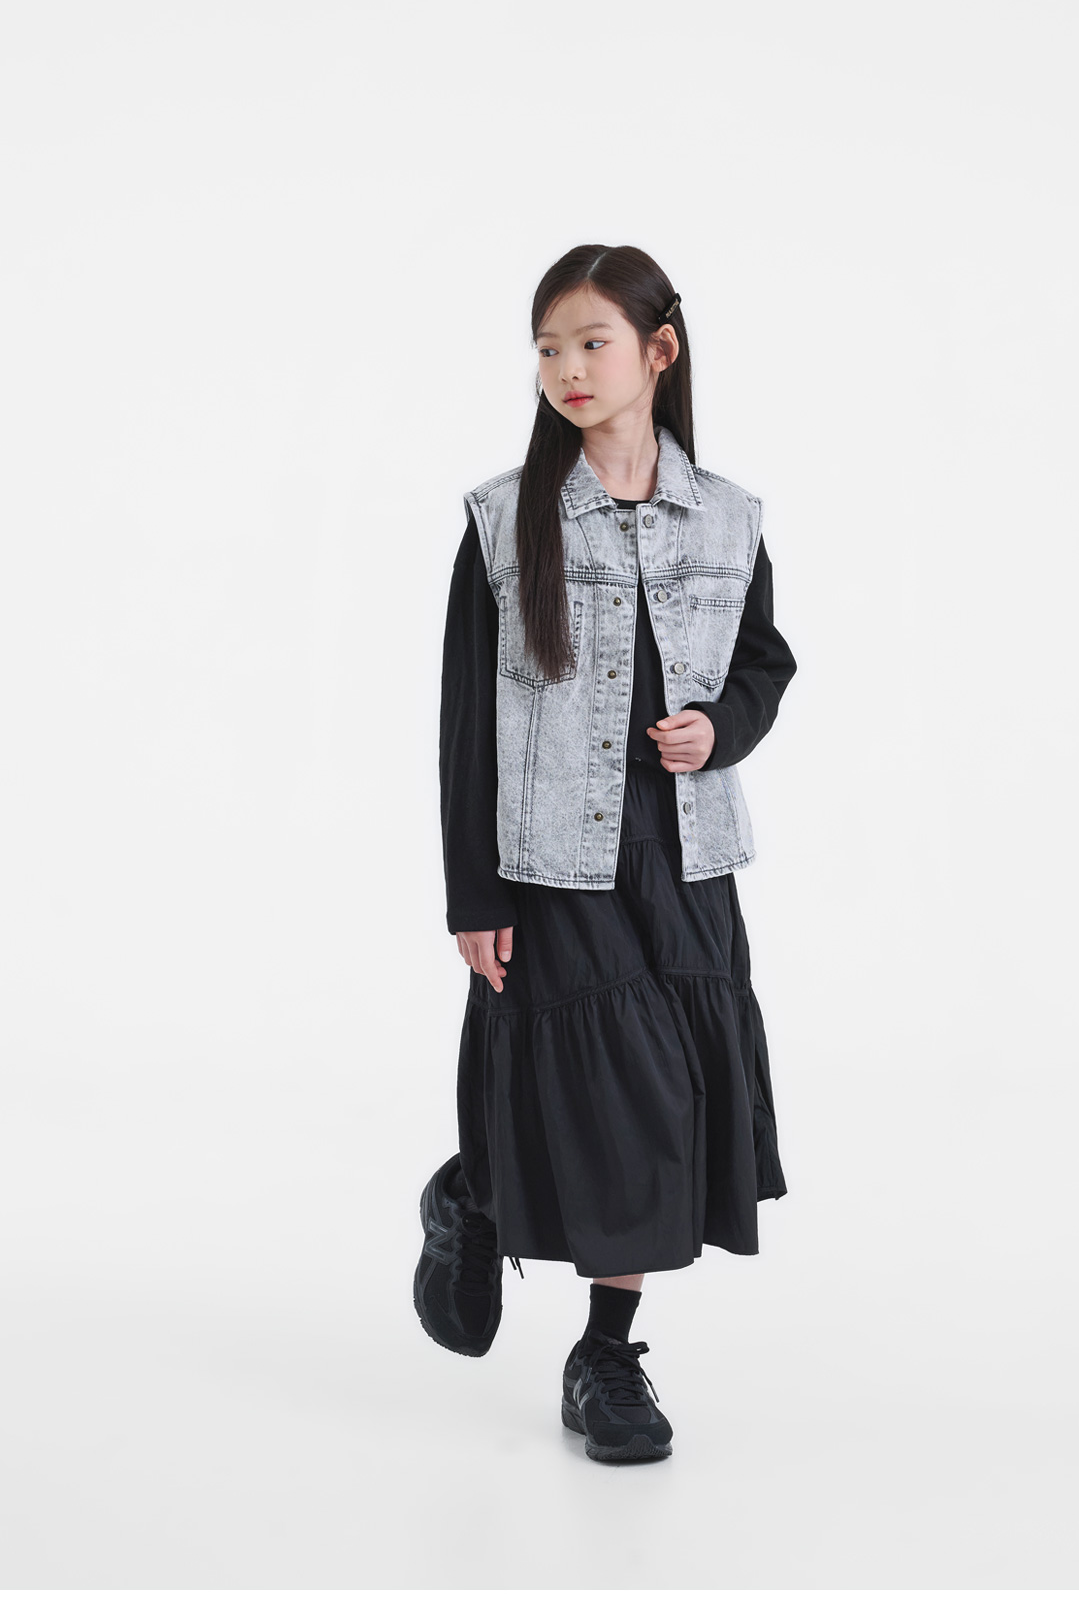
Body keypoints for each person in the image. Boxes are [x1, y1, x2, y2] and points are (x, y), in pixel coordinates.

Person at [413, 243, 798, 1464]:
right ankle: (478, 1194)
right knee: (609, 1094)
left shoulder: (729, 517)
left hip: (683, 854)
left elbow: (764, 663)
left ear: (658, 351)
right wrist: (472, 892)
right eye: (548, 347)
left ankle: (604, 1354)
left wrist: (721, 727)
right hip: (548, 858)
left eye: (592, 341)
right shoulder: (503, 520)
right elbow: (466, 720)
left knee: (667, 1105)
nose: (568, 368)